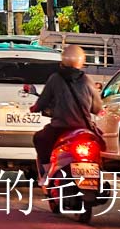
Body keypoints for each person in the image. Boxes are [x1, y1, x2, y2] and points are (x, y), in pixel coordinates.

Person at [30, 44, 103, 181]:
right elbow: (97, 107)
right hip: (83, 128)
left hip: (60, 128)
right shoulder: (87, 81)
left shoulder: (55, 79)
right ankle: (99, 173)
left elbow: (43, 101)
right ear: (81, 61)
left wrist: (35, 108)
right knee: (98, 145)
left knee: (39, 138)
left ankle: (46, 172)